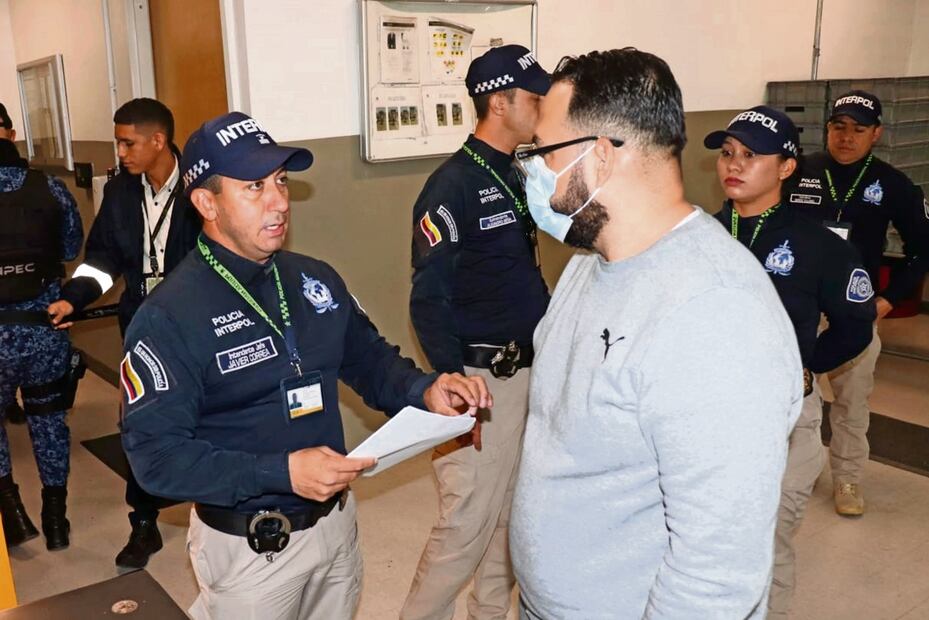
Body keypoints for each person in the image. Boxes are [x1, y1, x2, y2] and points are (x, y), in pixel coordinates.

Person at [120, 111, 491, 620]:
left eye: (281, 181)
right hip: (251, 547)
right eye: (254, 186)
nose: (278, 201)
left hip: (336, 524)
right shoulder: (168, 316)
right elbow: (156, 460)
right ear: (207, 202)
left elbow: (370, 360)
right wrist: (281, 472)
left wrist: (425, 390)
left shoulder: (314, 279)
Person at [508, 48, 804, 618]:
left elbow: (716, 573)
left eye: (541, 153)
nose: (529, 171)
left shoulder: (715, 314)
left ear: (598, 157)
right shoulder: (586, 267)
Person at [705, 106, 877, 617]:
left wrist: (806, 365)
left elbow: (854, 325)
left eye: (751, 156)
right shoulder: (699, 237)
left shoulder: (817, 245)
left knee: (768, 543)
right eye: (727, 153)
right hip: (709, 417)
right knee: (708, 546)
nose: (734, 164)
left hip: (784, 422)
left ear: (785, 168)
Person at [402, 44, 550, 620]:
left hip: (525, 375)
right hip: (483, 382)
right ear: (498, 101)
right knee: (465, 524)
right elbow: (428, 297)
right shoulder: (452, 186)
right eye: (533, 97)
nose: (542, 107)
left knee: (511, 516)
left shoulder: (516, 172)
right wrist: (454, 382)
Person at [48, 98, 201, 568]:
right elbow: (103, 261)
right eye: (118, 142)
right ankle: (144, 523)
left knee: (210, 415)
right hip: (140, 323)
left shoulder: (204, 187)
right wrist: (74, 297)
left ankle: (217, 509)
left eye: (127, 142)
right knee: (140, 420)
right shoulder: (118, 194)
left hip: (197, 322)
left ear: (159, 140)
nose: (120, 152)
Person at [788, 90, 929, 515]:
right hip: (802, 311)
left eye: (858, 129)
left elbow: (923, 249)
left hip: (855, 313)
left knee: (851, 403)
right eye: (838, 127)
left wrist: (887, 300)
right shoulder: (800, 171)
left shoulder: (892, 183)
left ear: (877, 134)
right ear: (828, 129)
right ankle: (802, 469)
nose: (846, 138)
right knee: (800, 402)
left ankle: (848, 479)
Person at [0, 102, 83, 550]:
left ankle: (12, 514)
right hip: (43, 330)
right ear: (10, 134)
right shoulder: (49, 188)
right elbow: (71, 248)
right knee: (49, 425)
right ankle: (56, 520)